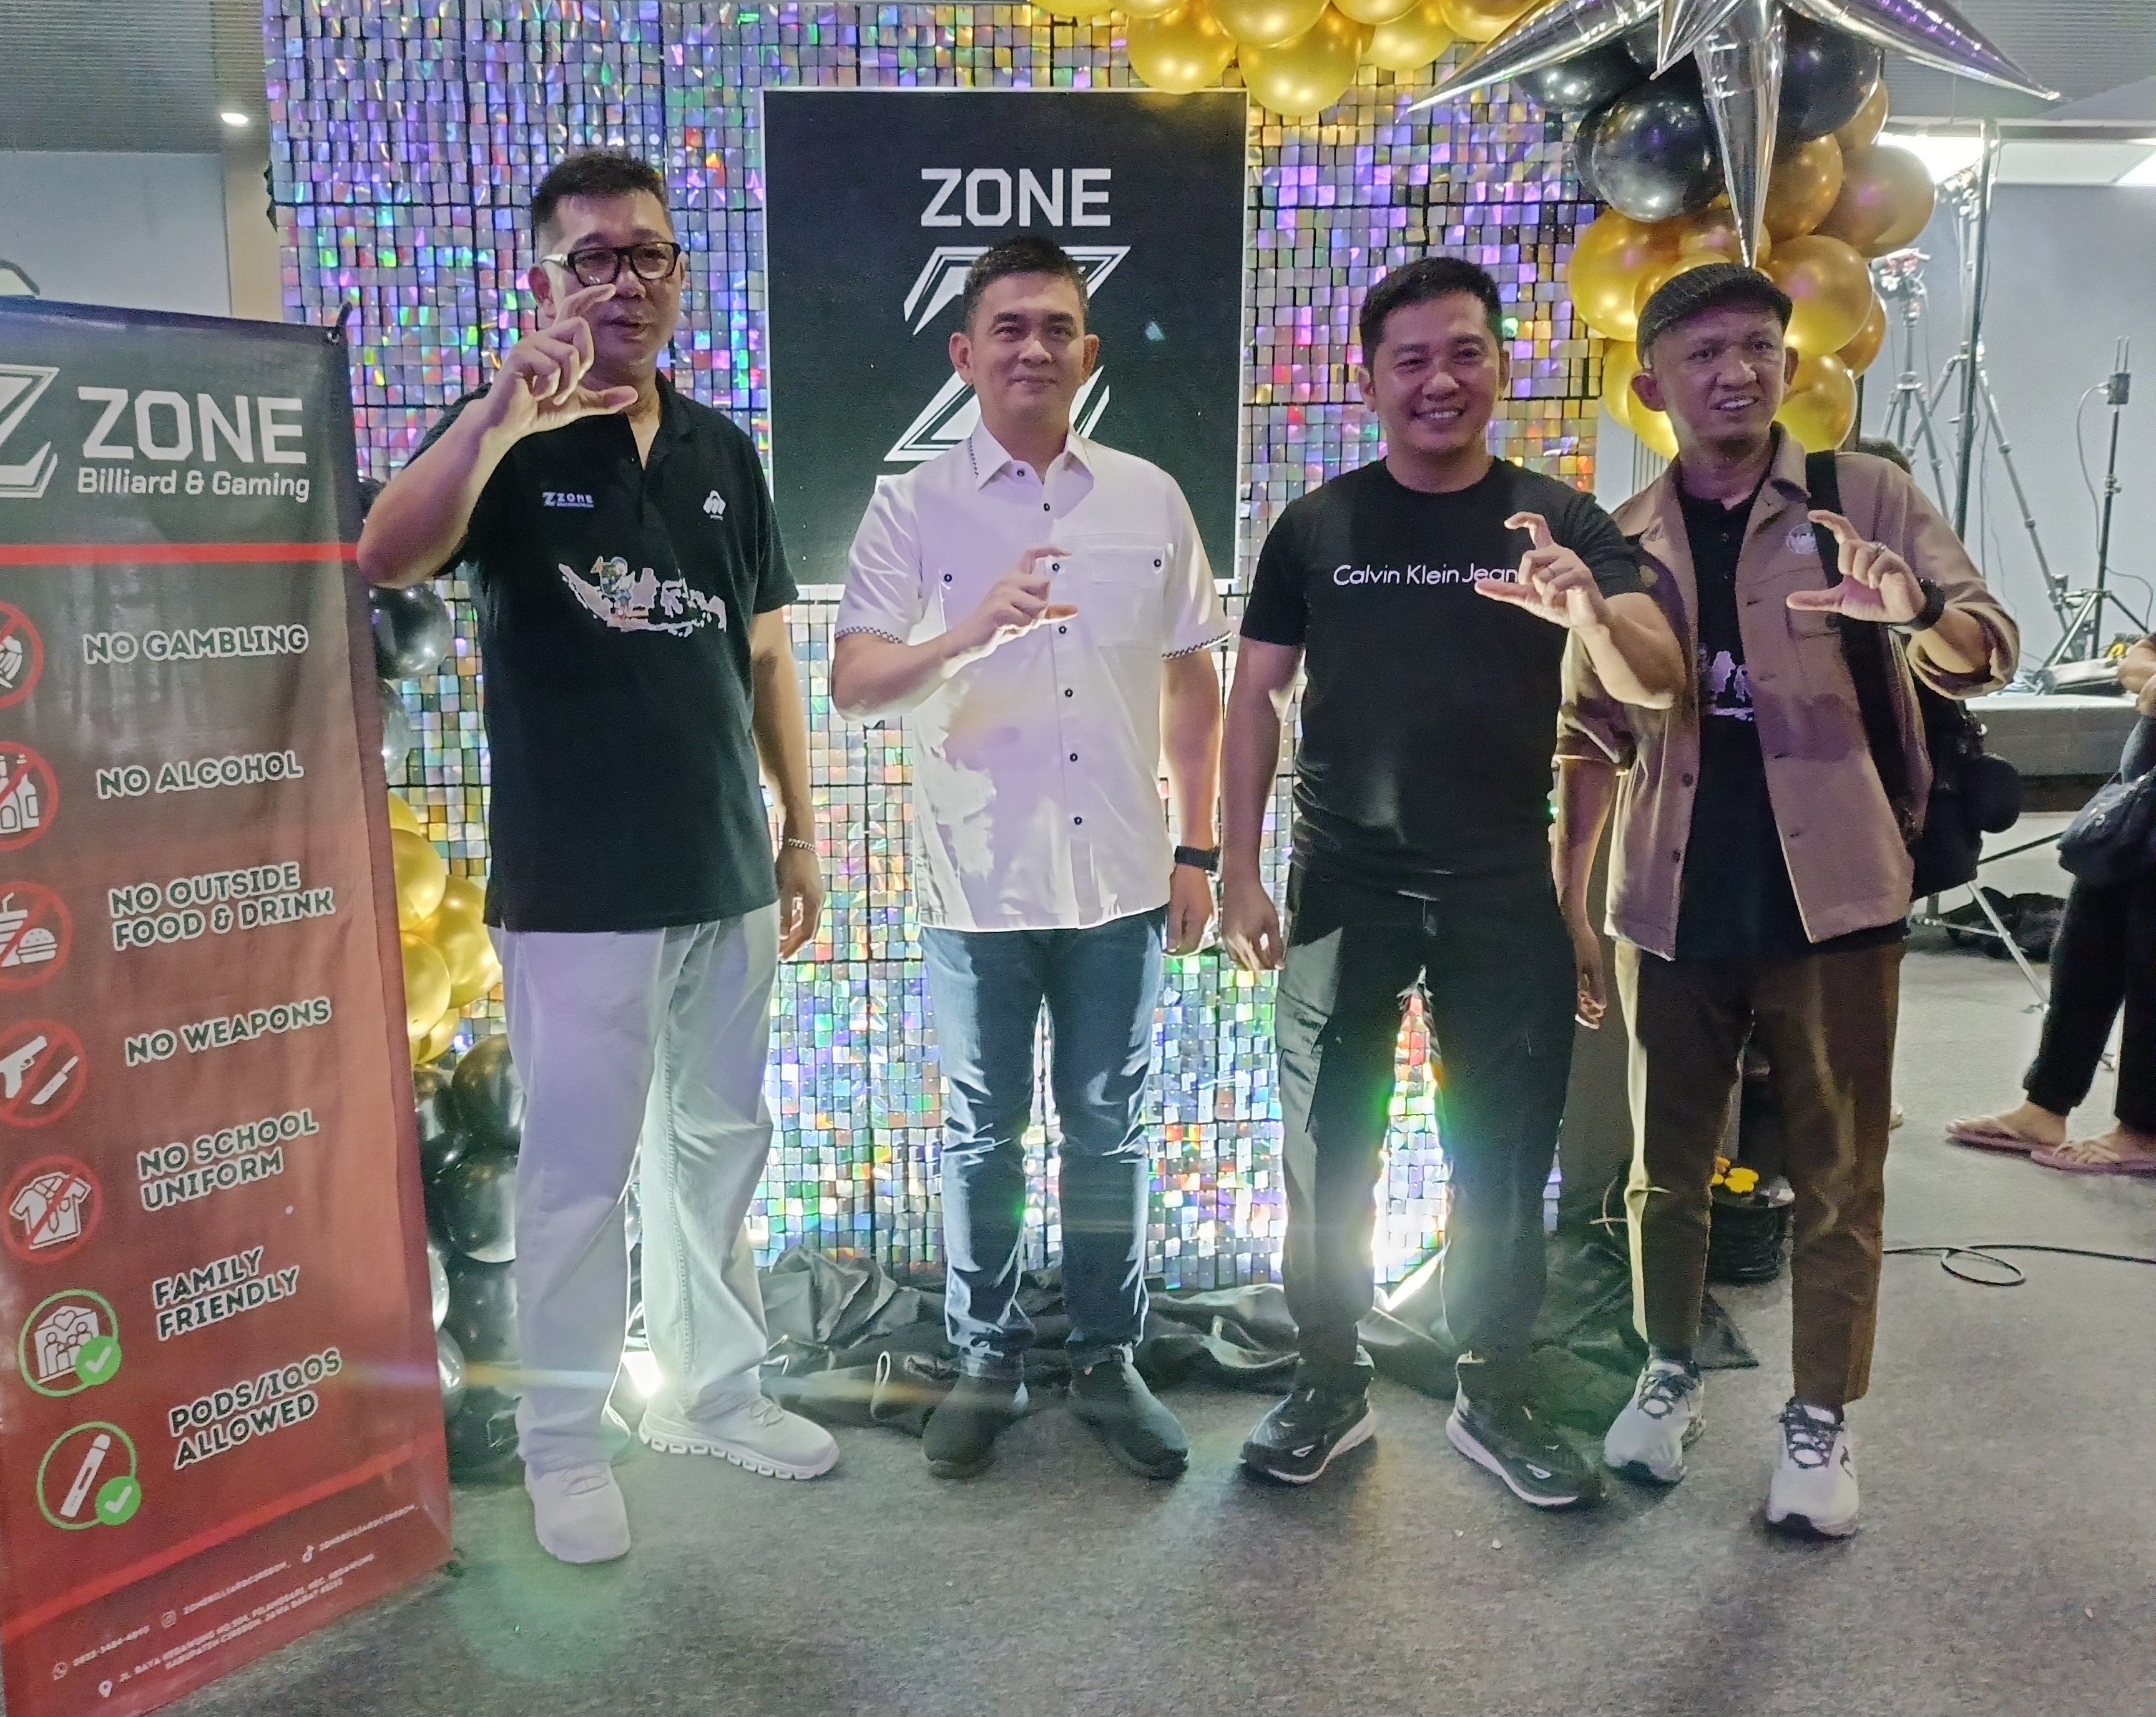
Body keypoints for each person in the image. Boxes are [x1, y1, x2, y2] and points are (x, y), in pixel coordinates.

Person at [358, 150, 835, 1565]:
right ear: (544, 278)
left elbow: (765, 655)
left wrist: (801, 830)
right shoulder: (504, 436)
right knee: (575, 1177)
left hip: (723, 870)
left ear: (677, 272)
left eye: (649, 254)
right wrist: (497, 416)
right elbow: (386, 555)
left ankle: (715, 1390)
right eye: (594, 257)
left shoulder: (720, 450)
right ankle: (564, 1441)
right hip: (574, 889)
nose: (625, 281)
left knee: (719, 1149)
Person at [1556, 263, 2017, 1538]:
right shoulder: (1621, 537)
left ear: (1790, 366)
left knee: (1837, 1174)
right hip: (1670, 900)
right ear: (1651, 384)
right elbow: (1588, 734)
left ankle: (1818, 1417)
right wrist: (1572, 905)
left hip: (1837, 899)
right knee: (1662, 1173)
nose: (1736, 373)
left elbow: (1984, 644)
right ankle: (1666, 1368)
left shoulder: (1862, 498)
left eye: (1757, 347)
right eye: (1702, 353)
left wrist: (1914, 610)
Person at [1219, 257, 1684, 1508]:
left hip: (1498, 888)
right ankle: (1326, 1383)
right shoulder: (1316, 526)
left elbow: (1654, 681)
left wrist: (1589, 613)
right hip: (1341, 889)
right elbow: (1254, 698)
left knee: (1502, 1151)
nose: (1440, 380)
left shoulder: (1558, 520)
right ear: (1368, 379)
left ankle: (1496, 1388)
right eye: (1411, 358)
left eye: (1464, 353)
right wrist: (1237, 869)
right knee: (1328, 1154)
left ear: (1499, 366)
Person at [830, 233, 1230, 1482]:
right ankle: (986, 1358)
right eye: (1008, 327)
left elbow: (1193, 682)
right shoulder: (912, 506)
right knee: (980, 1135)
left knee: (1110, 1129)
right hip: (976, 883)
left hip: (1122, 880)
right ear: (964, 353)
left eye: (1057, 327)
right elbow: (853, 684)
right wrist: (967, 631)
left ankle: (1106, 1357)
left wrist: (1200, 847)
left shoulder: (1148, 498)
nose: (1033, 349)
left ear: (1087, 352)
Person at [1949, 632, 2156, 1175]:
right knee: (2083, 951)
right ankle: (2045, 1106)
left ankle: (2143, 1130)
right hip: (2138, 805)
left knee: (2151, 966)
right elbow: (2137, 663)